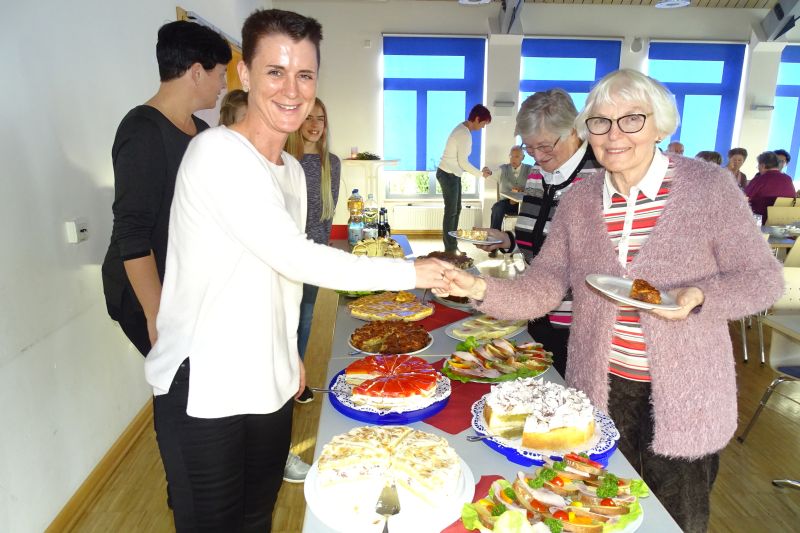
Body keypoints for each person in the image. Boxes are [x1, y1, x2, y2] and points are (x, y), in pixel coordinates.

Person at [144, 9, 454, 531]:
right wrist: (413, 270)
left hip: (266, 380)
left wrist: (288, 356)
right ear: (245, 76)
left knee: (256, 518)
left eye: (305, 74)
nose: (292, 90)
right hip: (206, 384)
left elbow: (280, 281)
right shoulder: (216, 152)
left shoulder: (288, 169)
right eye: (275, 72)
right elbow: (295, 255)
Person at [442, 69, 783, 533]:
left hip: (687, 390)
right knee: (597, 510)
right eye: (601, 122)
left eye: (632, 120)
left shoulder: (709, 189)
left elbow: (764, 279)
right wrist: (478, 289)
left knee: (677, 519)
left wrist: (701, 295)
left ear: (661, 125)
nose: (614, 134)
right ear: (588, 131)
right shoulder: (579, 201)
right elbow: (544, 283)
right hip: (600, 387)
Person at [102, 21, 231, 357]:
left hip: (186, 286)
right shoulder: (142, 131)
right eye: (220, 73)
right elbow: (132, 233)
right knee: (181, 391)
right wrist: (157, 314)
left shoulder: (201, 130)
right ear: (197, 72)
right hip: (149, 292)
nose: (223, 84)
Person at [477, 89, 603, 377]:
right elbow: (537, 237)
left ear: (574, 130)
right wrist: (508, 241)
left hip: (579, 322)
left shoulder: (600, 175)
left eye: (545, 146)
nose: (537, 156)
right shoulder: (537, 173)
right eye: (530, 147)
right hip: (537, 309)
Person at [285, 97, 341, 406]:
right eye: (308, 118)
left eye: (320, 118)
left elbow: (326, 215)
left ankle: (296, 379)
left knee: (305, 318)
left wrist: (318, 256)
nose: (315, 124)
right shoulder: (281, 160)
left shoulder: (331, 163)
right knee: (282, 320)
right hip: (283, 256)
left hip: (312, 257)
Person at [437, 104, 492, 252]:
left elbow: (461, 162)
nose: (482, 128)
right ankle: (450, 249)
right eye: (483, 124)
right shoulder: (464, 134)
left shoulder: (462, 128)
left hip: (451, 174)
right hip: (448, 174)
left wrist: (481, 172)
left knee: (455, 209)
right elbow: (463, 162)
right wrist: (481, 175)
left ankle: (452, 246)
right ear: (477, 119)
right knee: (451, 212)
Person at [489, 145, 533, 231]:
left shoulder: (529, 169)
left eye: (516, 156)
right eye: (511, 156)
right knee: (497, 207)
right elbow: (493, 174)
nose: (513, 159)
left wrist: (522, 191)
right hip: (507, 203)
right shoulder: (503, 168)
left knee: (536, 208)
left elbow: (535, 187)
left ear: (523, 157)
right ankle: (494, 235)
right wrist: (489, 172)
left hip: (524, 203)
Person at [745, 151, 796, 220]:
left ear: (762, 165)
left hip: (760, 221)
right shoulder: (788, 179)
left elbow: (743, 198)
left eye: (758, 165)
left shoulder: (760, 179)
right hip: (783, 221)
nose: (758, 168)